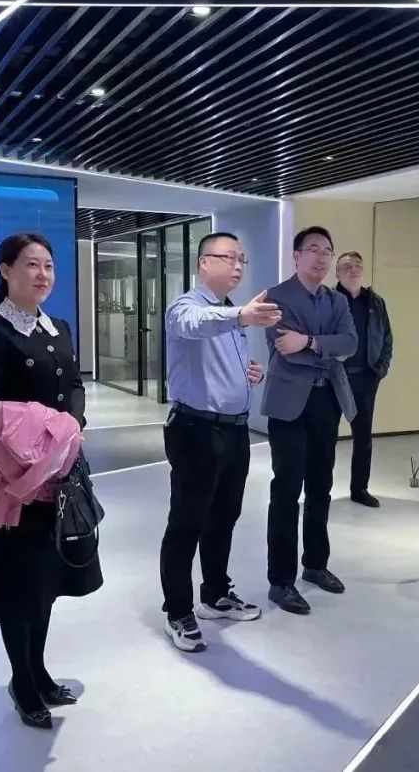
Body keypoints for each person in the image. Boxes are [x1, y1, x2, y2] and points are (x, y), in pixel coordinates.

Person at [0, 233, 101, 730]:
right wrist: (49, 432)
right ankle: (22, 682)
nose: (42, 274)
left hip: (60, 474)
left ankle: (39, 671)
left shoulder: (57, 327)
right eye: (30, 265)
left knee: (46, 581)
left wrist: (73, 425)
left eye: (48, 265)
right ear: (5, 271)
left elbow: (75, 386)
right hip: (18, 476)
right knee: (19, 585)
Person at [158, 232, 281, 652]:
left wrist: (246, 374)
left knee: (224, 517)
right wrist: (241, 316)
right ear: (203, 262)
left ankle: (214, 594)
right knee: (186, 523)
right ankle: (178, 610)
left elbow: (216, 360)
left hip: (233, 429)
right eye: (228, 258)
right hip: (196, 430)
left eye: (241, 259)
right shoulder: (187, 307)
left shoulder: (231, 313)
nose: (238, 266)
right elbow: (196, 326)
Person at [262, 226, 357, 615]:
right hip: (289, 405)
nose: (321, 257)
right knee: (287, 489)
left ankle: (315, 564)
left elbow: (350, 342)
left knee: (321, 486)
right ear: (296, 256)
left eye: (327, 251)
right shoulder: (275, 297)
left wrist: (310, 341)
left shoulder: (338, 300)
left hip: (326, 402)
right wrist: (323, 349)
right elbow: (283, 346)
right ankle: (280, 580)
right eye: (313, 249)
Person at [335, 251, 393, 508]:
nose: (353, 270)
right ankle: (319, 489)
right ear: (337, 273)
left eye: (357, 265)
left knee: (363, 437)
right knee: (324, 436)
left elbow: (387, 337)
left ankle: (359, 489)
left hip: (366, 378)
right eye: (347, 266)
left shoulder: (375, 302)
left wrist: (380, 369)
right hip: (334, 378)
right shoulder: (328, 300)